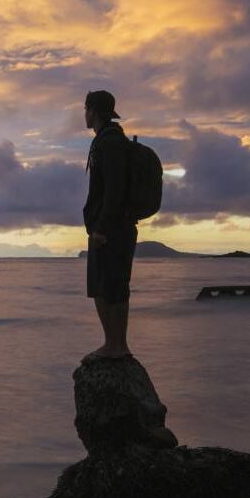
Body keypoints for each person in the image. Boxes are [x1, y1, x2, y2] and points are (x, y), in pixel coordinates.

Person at [81, 90, 137, 361]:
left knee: (106, 286)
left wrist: (101, 228)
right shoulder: (111, 140)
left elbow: (114, 190)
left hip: (111, 229)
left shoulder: (109, 143)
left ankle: (115, 345)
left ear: (93, 111)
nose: (84, 113)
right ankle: (116, 344)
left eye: (86, 108)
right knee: (111, 285)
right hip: (115, 226)